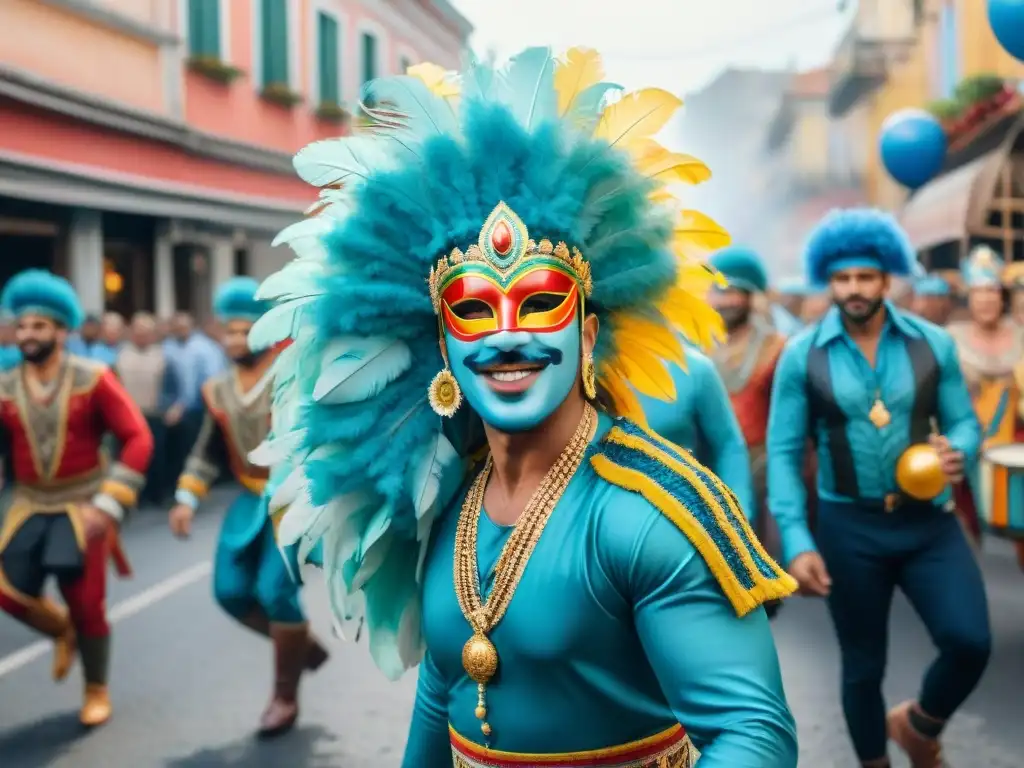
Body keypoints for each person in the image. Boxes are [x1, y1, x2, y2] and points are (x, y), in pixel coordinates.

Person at [256, 48, 798, 767]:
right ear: (443, 348)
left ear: (588, 332)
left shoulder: (650, 515)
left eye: (540, 304)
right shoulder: (447, 498)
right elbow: (440, 693)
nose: (508, 334)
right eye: (475, 313)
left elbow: (754, 736)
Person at [767, 209, 989, 768]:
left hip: (929, 523)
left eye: (865, 277)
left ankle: (918, 725)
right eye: (842, 279)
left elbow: (964, 421)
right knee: (863, 666)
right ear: (830, 281)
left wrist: (956, 448)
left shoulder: (932, 344)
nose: (854, 289)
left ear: (887, 277)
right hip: (849, 530)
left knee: (970, 641)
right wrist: (797, 540)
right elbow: (784, 453)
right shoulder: (802, 355)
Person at [168, 277, 328, 737]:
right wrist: (185, 498)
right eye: (229, 331)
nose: (236, 339)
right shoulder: (216, 390)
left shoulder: (292, 372)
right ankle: (301, 643)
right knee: (231, 592)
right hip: (246, 497)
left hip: (291, 500)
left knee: (275, 592)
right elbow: (207, 451)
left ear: (265, 330)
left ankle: (284, 697)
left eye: (245, 330)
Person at [0, 270, 153, 727]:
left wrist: (108, 504)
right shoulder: (4, 385)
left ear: (61, 331)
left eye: (39, 326)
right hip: (30, 502)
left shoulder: (95, 378)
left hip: (84, 503)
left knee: (86, 603)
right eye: (22, 326)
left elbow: (138, 438)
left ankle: (96, 688)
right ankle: (59, 628)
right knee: (6, 591)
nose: (27, 335)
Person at [706, 245, 788, 614]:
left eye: (733, 291)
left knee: (760, 580)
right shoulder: (693, 347)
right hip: (704, 467)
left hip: (762, 469)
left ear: (751, 295)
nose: (724, 300)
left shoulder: (778, 348)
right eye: (717, 290)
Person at [947, 246, 1024, 551]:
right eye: (979, 292)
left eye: (993, 291)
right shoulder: (950, 337)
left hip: (1015, 440)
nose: (987, 299)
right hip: (967, 439)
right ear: (969, 296)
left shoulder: (1020, 333)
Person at [637, 343, 756, 522]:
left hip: (682, 522)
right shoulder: (588, 368)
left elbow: (728, 446)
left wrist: (737, 519)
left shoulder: (694, 369)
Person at [116, 312, 180, 506]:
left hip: (154, 414)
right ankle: (134, 495)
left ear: (153, 334)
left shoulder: (162, 356)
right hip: (129, 415)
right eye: (138, 332)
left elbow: (171, 387)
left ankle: (157, 494)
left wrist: (170, 407)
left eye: (146, 332)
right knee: (130, 457)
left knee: (157, 455)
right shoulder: (121, 355)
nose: (142, 336)